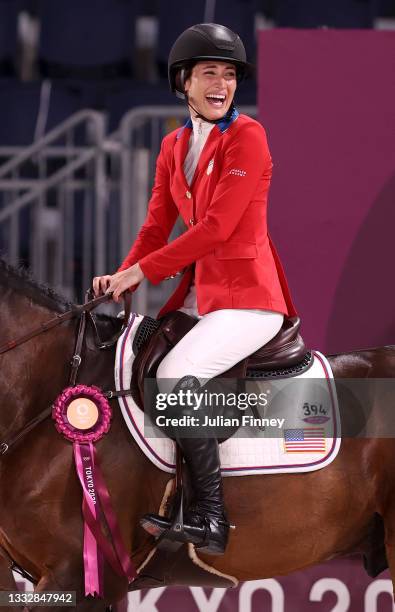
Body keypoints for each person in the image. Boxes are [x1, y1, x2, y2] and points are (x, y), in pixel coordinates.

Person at [92, 23, 297, 555]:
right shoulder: (172, 145)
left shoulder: (248, 135)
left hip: (249, 300)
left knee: (175, 375)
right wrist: (122, 272)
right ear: (183, 81)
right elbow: (155, 228)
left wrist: (145, 272)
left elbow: (217, 229)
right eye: (210, 72)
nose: (221, 83)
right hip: (201, 299)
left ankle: (210, 517)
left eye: (229, 75)